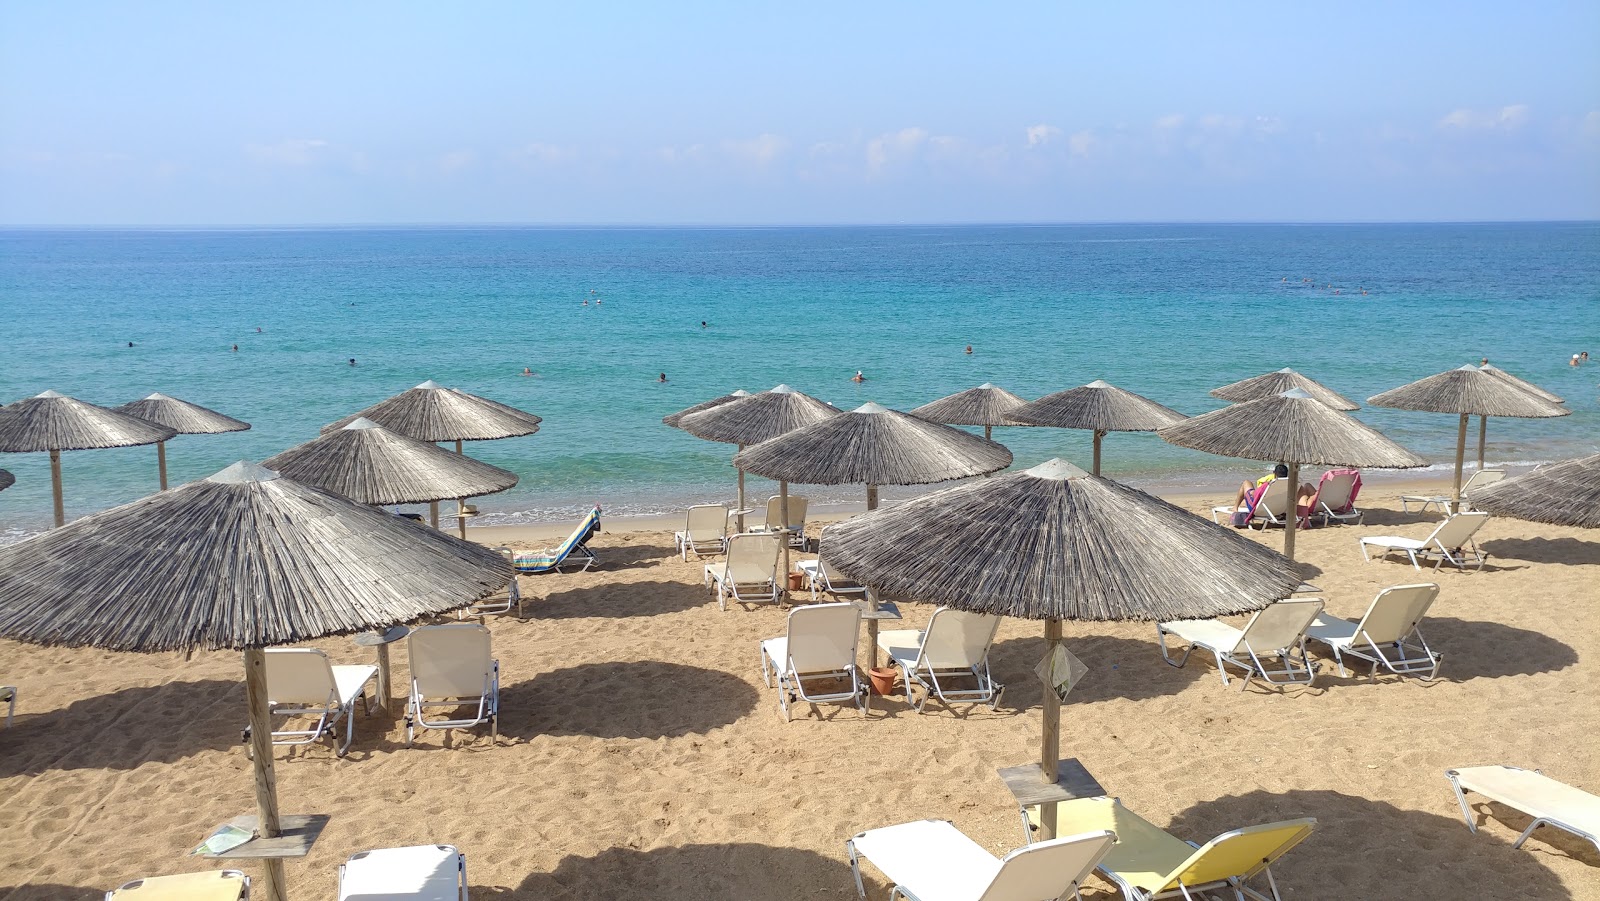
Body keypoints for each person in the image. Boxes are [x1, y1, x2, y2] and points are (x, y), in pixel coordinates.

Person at [1227, 463, 1315, 517]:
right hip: (1279, 509)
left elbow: (1254, 494)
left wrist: (1251, 492)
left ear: (1274, 473)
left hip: (1260, 509)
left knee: (1246, 483)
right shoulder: (1291, 485)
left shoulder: (1269, 485)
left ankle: (1235, 507)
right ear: (1286, 473)